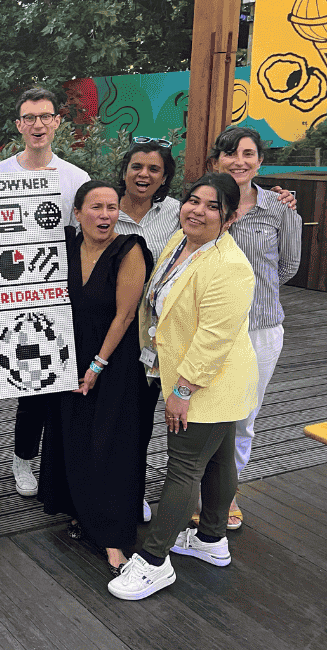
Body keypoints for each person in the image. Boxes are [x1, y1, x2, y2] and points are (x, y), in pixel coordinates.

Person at [108, 172, 257, 601]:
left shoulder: (230, 267)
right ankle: (211, 539)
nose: (198, 211)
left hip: (207, 383)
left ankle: (154, 562)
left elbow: (214, 336)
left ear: (229, 219)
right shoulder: (181, 241)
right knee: (219, 457)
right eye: (194, 201)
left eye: (213, 207)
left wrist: (184, 390)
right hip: (202, 378)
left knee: (183, 468)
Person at [38, 181, 152, 574]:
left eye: (111, 207)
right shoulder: (65, 248)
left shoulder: (130, 249)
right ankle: (80, 512)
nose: (105, 214)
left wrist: (96, 366)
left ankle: (114, 538)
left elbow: (125, 315)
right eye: (96, 207)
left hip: (115, 362)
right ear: (77, 213)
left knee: (111, 446)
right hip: (68, 357)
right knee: (73, 437)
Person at [0, 87, 91, 497]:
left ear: (57, 121)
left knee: (39, 382)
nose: (38, 125)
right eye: (29, 118)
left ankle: (23, 459)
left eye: (45, 116)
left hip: (53, 299)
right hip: (0, 294)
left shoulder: (76, 179)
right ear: (18, 125)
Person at [207, 126, 302, 530]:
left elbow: (288, 266)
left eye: (247, 154)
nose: (239, 161)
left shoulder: (280, 209)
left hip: (261, 328)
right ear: (216, 161)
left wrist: (252, 296)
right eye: (230, 154)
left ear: (260, 161)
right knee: (207, 414)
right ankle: (197, 488)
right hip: (211, 329)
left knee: (245, 415)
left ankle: (226, 494)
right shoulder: (205, 203)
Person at [114, 138, 180, 524]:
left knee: (140, 418)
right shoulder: (105, 207)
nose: (144, 175)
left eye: (154, 169)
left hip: (153, 336)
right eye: (137, 166)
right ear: (125, 169)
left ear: (165, 176)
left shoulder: (176, 214)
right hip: (108, 328)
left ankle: (133, 490)